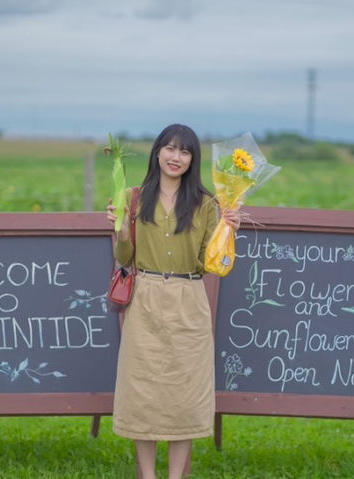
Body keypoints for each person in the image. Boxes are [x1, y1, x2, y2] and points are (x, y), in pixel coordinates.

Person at [106, 124, 240, 479]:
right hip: (145, 299)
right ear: (157, 152)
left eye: (184, 151)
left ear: (192, 159)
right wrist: (119, 228)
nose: (175, 157)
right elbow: (124, 257)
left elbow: (210, 265)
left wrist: (227, 233)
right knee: (142, 392)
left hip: (189, 300)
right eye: (169, 148)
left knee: (186, 395)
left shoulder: (207, 203)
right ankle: (147, 475)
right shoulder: (133, 197)